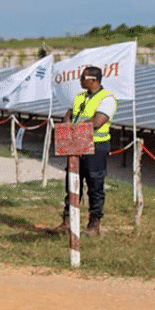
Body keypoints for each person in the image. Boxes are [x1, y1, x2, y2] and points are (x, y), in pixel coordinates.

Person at [46, 65, 118, 237]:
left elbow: (97, 122)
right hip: (75, 145)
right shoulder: (80, 97)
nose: (80, 81)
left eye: (83, 78)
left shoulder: (107, 99)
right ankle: (67, 222)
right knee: (72, 183)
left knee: (94, 185)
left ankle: (94, 224)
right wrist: (67, 126)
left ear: (93, 80)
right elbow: (69, 114)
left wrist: (73, 129)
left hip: (96, 147)